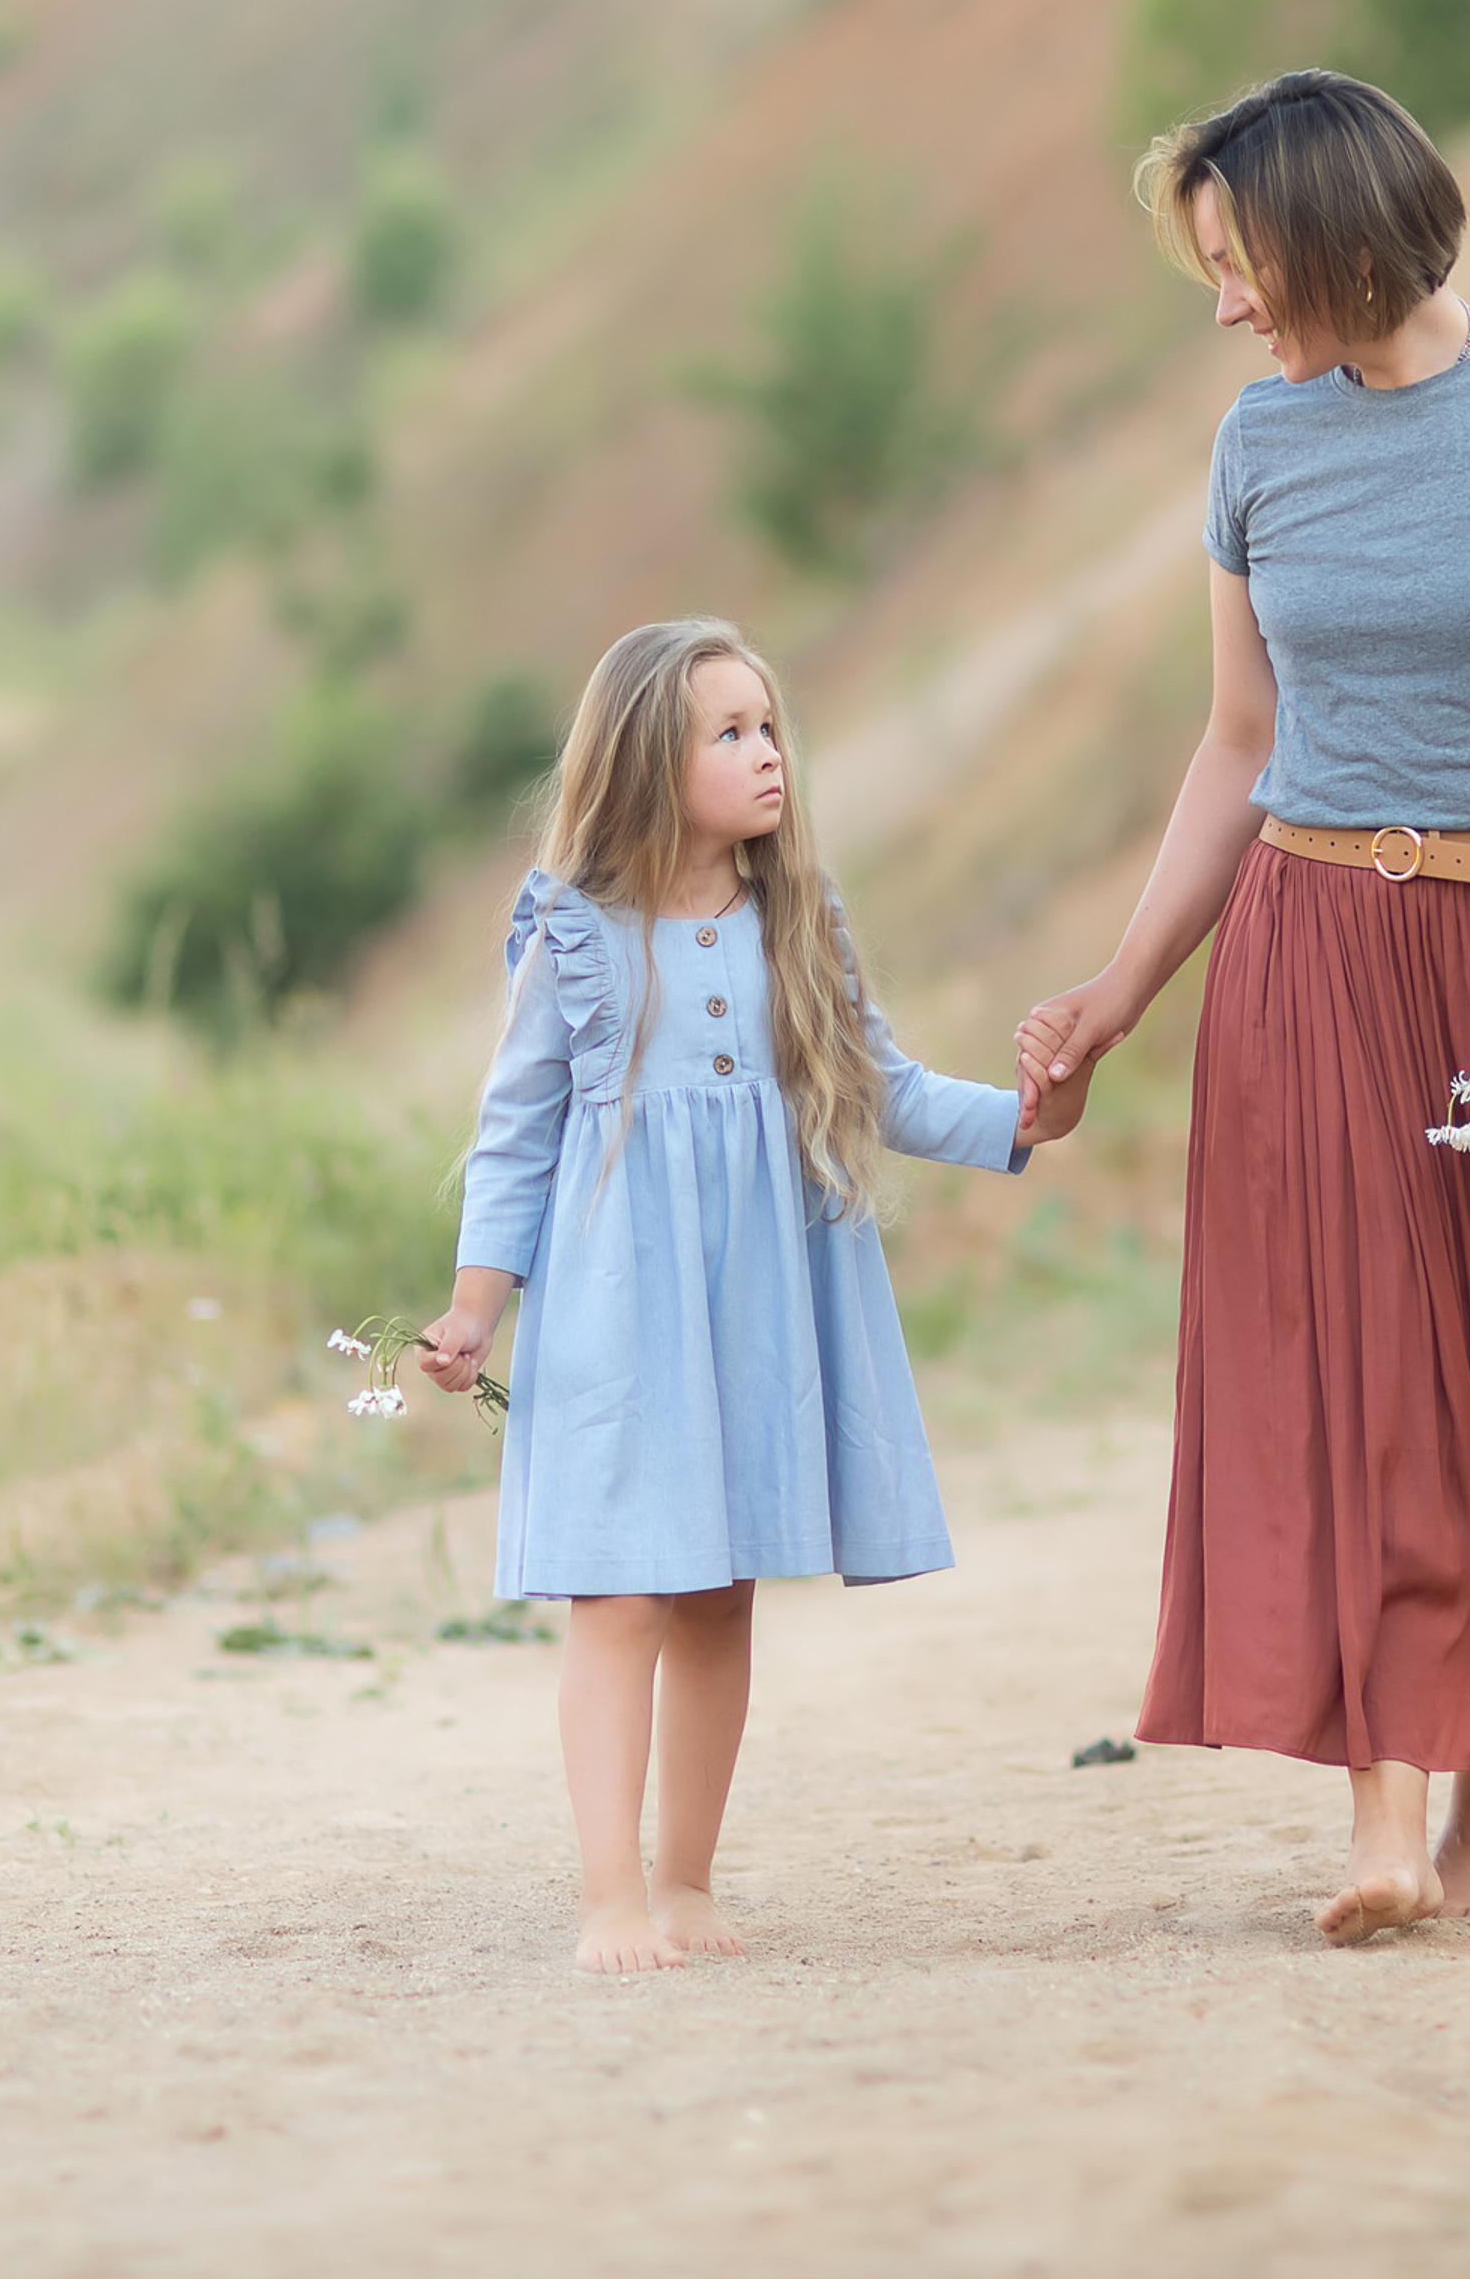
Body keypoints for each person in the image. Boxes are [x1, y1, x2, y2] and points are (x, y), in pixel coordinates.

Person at [1017, 69, 1470, 1946]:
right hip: (1314, 954)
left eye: (1240, 264)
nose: (1229, 304)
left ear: (1337, 235)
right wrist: (1118, 992)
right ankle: (1386, 1807)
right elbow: (1242, 743)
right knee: (1361, 1381)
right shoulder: (1259, 446)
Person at [418, 618, 1090, 1974]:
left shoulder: (798, 916)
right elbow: (516, 1129)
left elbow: (883, 1085)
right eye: (729, 733)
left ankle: (686, 1882)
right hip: (620, 1298)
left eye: (769, 726)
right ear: (650, 762)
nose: (767, 753)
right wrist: (477, 1303)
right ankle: (608, 1896)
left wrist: (1027, 1119)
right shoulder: (576, 929)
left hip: (759, 1292)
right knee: (620, 1595)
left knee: (724, 1590)